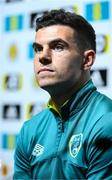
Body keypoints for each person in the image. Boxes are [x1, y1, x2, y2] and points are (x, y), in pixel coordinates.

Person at [13, 9, 112, 179]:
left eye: (58, 47)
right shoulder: (30, 129)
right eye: (37, 49)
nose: (43, 57)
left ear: (87, 60)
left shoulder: (106, 122)